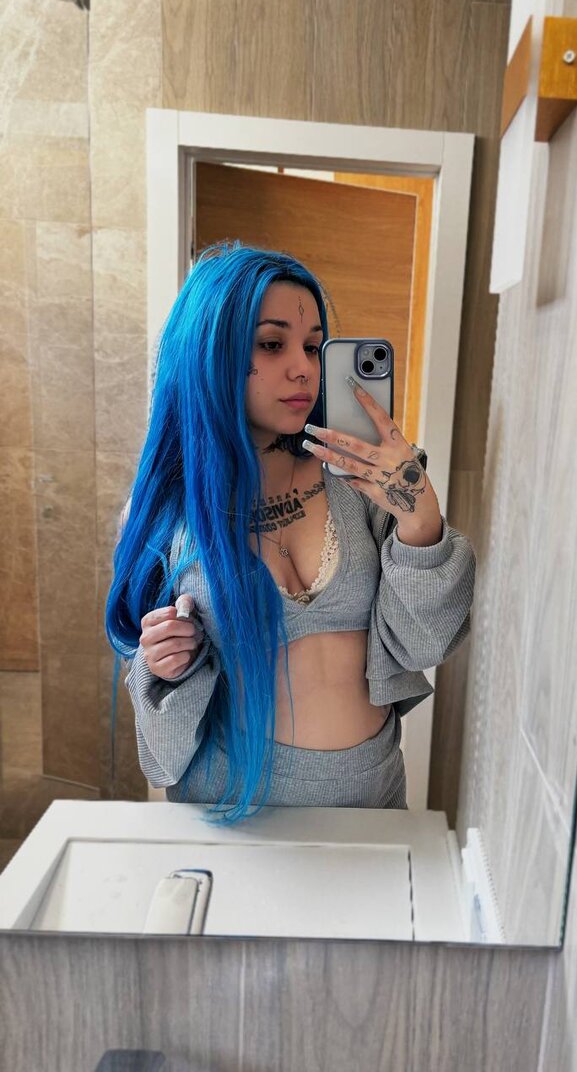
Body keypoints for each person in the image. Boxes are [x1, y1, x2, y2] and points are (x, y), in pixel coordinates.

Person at [106, 242, 475, 825]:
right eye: (272, 344)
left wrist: (420, 520)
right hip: (233, 810)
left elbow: (424, 646)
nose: (303, 367)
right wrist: (164, 666)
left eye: (312, 345)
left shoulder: (364, 480)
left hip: (371, 798)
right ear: (211, 351)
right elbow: (161, 757)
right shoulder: (166, 515)